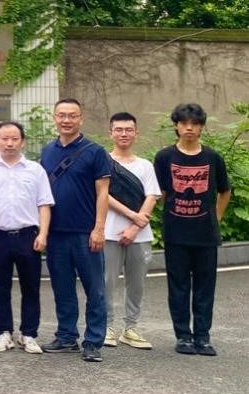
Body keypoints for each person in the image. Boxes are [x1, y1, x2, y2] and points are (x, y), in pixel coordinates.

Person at [154, 103, 231, 356]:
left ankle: (203, 336)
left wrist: (216, 217)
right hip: (176, 233)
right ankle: (183, 336)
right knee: (178, 286)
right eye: (184, 123)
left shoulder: (213, 158)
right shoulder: (164, 157)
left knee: (205, 287)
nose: (189, 128)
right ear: (176, 125)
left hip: (206, 234)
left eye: (195, 124)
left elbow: (224, 191)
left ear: (201, 128)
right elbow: (161, 193)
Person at [40, 98, 111, 362]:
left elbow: (103, 192)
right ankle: (66, 336)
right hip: (56, 232)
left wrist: (99, 228)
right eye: (61, 115)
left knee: (95, 290)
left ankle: (93, 341)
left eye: (72, 115)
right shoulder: (48, 151)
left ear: (81, 118)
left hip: (86, 232)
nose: (66, 120)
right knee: (62, 288)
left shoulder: (95, 151)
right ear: (54, 118)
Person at [0, 121, 54, 354]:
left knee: (30, 287)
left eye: (14, 139)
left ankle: (28, 334)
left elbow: (44, 204)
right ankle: (3, 332)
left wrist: (43, 234)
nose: (9, 143)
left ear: (23, 142)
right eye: (4, 139)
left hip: (27, 236)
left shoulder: (35, 170)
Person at [103, 112, 162, 350]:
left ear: (136, 133)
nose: (123, 134)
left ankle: (131, 328)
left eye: (128, 129)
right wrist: (132, 216)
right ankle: (106, 327)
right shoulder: (103, 162)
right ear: (111, 133)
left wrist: (135, 227)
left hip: (140, 236)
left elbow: (152, 196)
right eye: (118, 129)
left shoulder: (145, 165)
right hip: (108, 233)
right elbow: (102, 195)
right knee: (105, 282)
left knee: (136, 283)